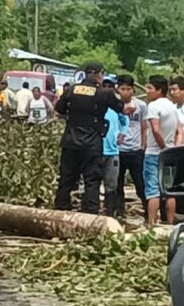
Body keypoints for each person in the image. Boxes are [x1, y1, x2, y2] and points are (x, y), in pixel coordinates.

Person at [53, 62, 125, 214]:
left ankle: (60, 210)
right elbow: (120, 107)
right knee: (91, 181)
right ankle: (90, 213)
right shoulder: (103, 93)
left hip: (70, 142)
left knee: (66, 179)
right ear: (99, 74)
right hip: (91, 144)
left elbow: (59, 108)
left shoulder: (71, 89)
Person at [144, 75, 184, 226]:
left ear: (159, 90)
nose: (147, 91)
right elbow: (179, 130)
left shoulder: (153, 106)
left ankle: (152, 223)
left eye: (150, 88)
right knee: (169, 190)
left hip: (154, 153)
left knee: (153, 190)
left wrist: (162, 147)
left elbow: (155, 129)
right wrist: (173, 148)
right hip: (170, 154)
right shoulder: (172, 106)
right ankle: (170, 222)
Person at [115, 74, 147, 218]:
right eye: (123, 89)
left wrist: (143, 146)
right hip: (118, 149)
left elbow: (144, 126)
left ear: (133, 90)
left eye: (129, 89)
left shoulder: (141, 105)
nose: (126, 92)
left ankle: (148, 211)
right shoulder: (114, 104)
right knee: (117, 183)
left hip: (135, 149)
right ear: (118, 89)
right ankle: (119, 212)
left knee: (139, 182)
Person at [101, 76, 127, 217]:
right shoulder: (95, 105)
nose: (108, 89)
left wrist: (122, 134)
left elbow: (125, 120)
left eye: (110, 86)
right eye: (105, 86)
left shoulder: (116, 108)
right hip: (96, 150)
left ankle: (110, 212)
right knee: (92, 183)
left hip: (112, 151)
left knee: (112, 185)